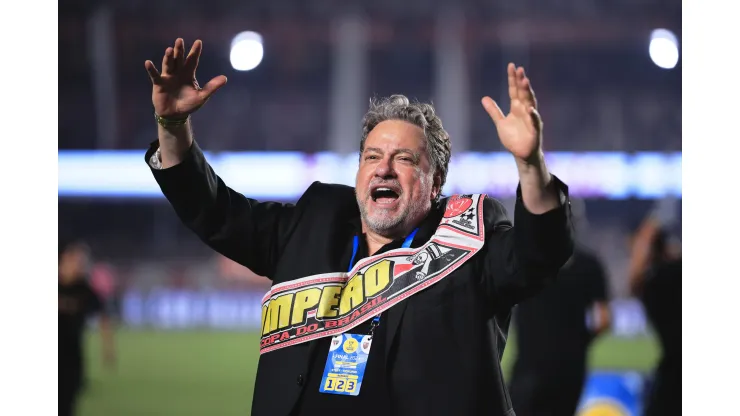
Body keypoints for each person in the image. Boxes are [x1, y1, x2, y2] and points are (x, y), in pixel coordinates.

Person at [143, 38, 574, 416]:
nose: (383, 168)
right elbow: (216, 213)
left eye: (404, 159)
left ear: (435, 182)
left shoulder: (468, 235)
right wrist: (173, 126)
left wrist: (529, 164)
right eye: (371, 156)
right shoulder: (314, 223)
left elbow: (540, 255)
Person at [508, 199, 611, 416]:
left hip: (530, 364)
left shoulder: (527, 257)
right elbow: (603, 319)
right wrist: (579, 341)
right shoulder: (590, 264)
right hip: (571, 367)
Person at [628, 206, 681, 416]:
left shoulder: (655, 283)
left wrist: (646, 234)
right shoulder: (671, 276)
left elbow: (635, 280)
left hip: (672, 377)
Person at [58, 241, 116, 416]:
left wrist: (108, 349)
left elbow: (104, 318)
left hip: (73, 360)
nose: (81, 265)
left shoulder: (85, 290)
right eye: (76, 260)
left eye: (82, 261)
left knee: (67, 405)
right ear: (64, 260)